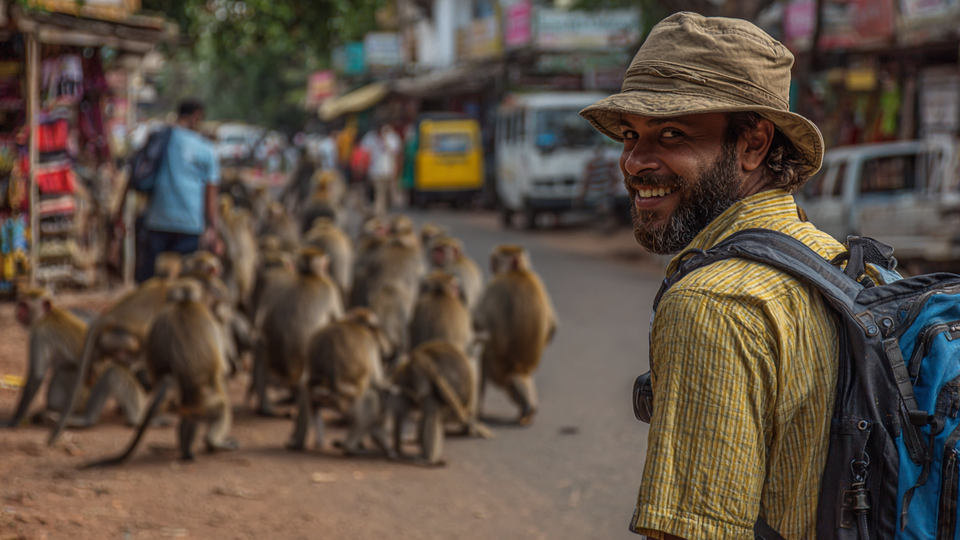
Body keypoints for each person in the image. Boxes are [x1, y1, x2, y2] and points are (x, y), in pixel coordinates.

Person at [580, 14, 897, 540]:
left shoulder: (712, 303)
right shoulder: (847, 263)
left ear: (753, 144)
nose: (633, 162)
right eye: (632, 135)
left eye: (672, 134)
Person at [137, 99, 219, 282]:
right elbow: (211, 195)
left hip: (157, 221)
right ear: (196, 115)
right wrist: (213, 230)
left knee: (153, 282)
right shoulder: (206, 149)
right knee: (183, 281)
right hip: (189, 224)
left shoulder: (159, 139)